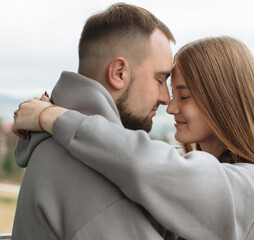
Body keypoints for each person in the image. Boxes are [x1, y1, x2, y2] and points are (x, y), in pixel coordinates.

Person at [13, 37, 254, 239]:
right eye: (170, 91)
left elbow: (143, 165)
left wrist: (53, 118)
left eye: (183, 95)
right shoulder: (207, 175)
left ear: (223, 99)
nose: (170, 106)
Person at [11, 3, 177, 240]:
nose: (166, 98)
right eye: (160, 80)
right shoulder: (94, 173)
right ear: (119, 73)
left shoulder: (55, 145)